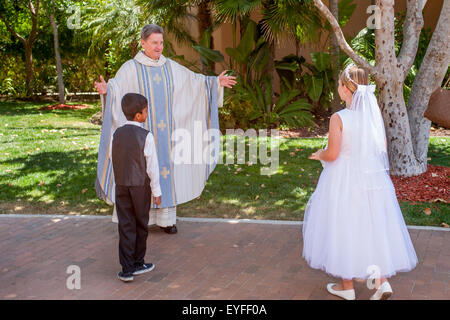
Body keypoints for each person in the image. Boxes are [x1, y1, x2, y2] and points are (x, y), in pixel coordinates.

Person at [94, 24, 236, 234]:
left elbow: (194, 83)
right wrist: (107, 91)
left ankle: (166, 220)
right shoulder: (131, 68)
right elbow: (116, 88)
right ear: (143, 43)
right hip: (139, 137)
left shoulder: (170, 67)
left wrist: (216, 83)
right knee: (140, 173)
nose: (159, 47)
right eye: (154, 43)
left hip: (167, 137)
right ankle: (138, 220)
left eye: (161, 42)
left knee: (165, 171)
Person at [302, 65, 418, 300]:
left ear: (346, 89)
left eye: (339, 85)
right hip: (372, 180)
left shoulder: (339, 118)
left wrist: (319, 154)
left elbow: (333, 154)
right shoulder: (373, 118)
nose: (337, 88)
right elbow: (381, 148)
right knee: (371, 228)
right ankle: (382, 283)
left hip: (343, 180)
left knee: (343, 227)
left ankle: (348, 287)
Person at [112, 93, 162, 282]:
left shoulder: (116, 134)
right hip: (140, 187)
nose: (147, 114)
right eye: (146, 111)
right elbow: (152, 167)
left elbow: (112, 156)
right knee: (141, 224)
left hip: (121, 186)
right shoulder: (146, 136)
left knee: (125, 225)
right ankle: (138, 263)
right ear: (138, 116)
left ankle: (126, 269)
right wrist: (157, 192)